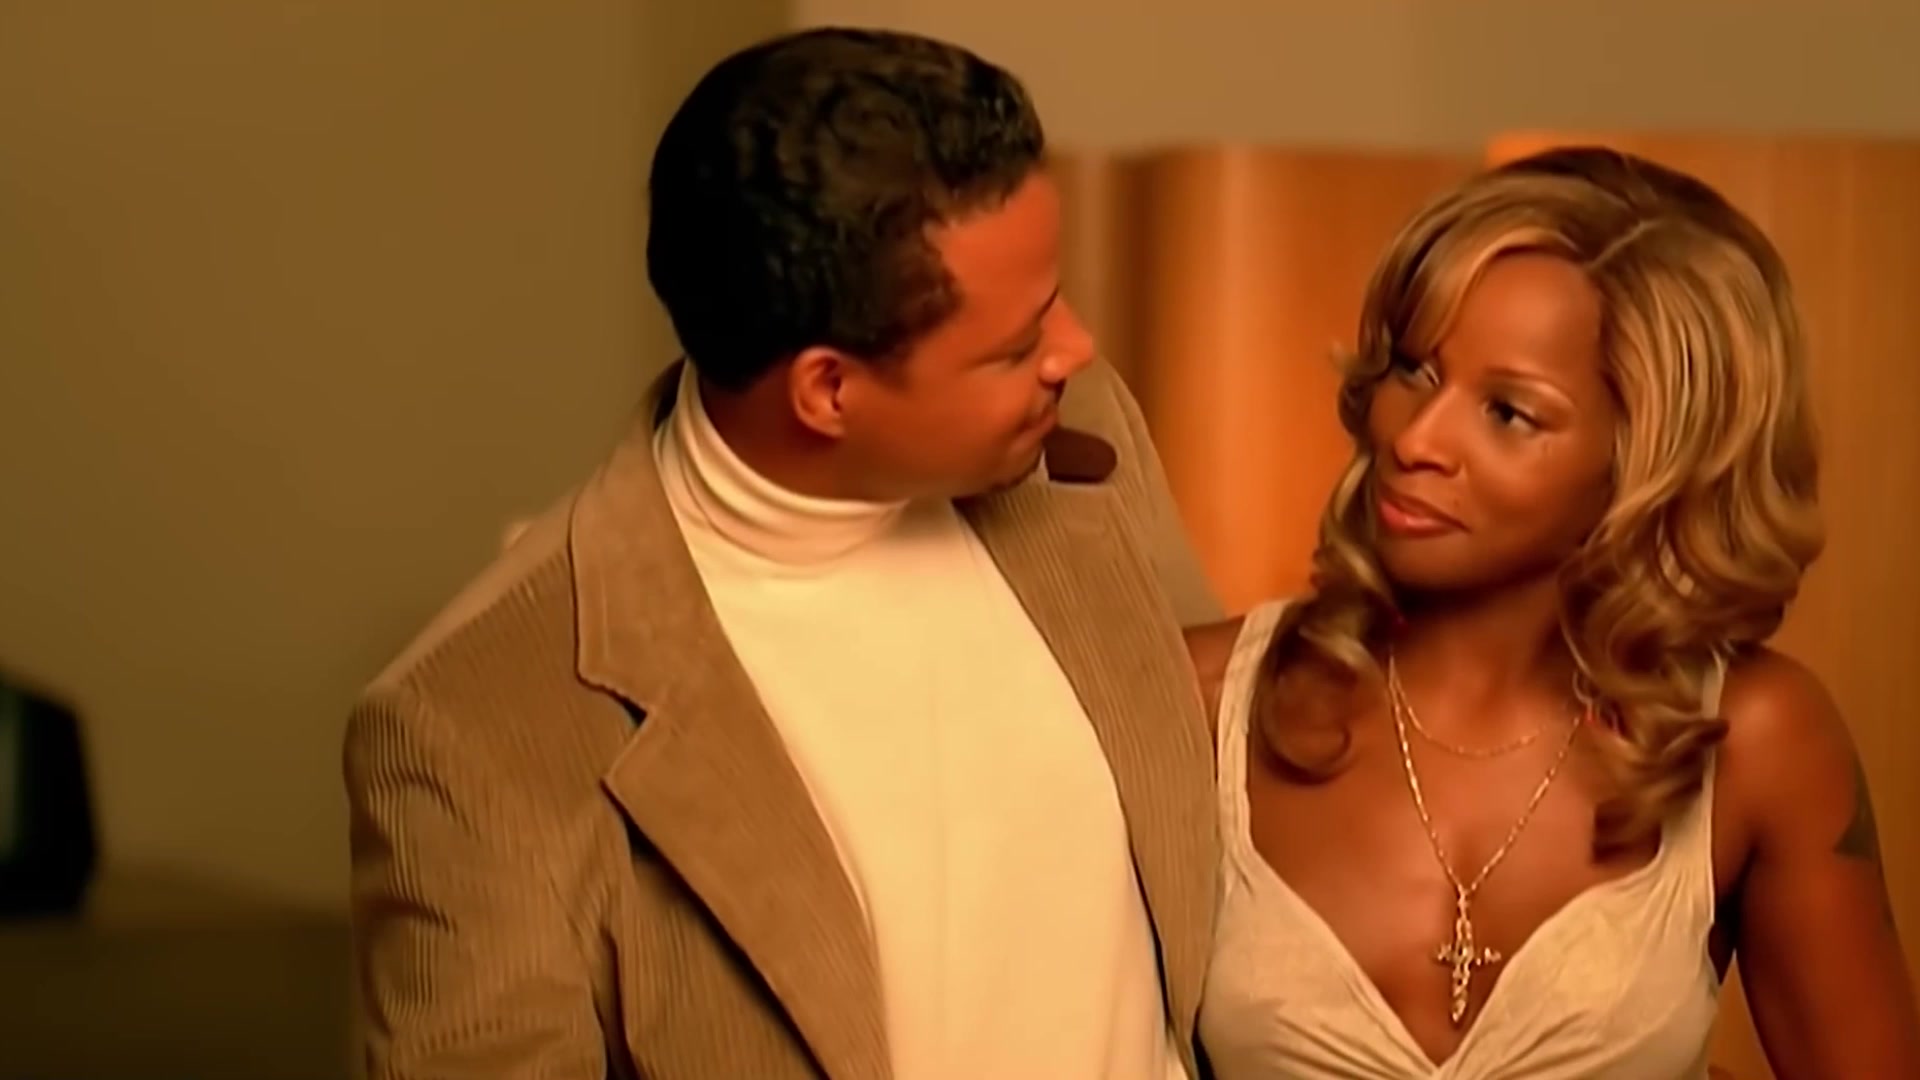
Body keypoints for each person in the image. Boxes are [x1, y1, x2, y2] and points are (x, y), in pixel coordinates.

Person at [344, 26, 1222, 1080]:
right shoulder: (473, 726)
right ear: (827, 391)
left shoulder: (1084, 438)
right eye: (1015, 345)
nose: (1075, 350)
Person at [1189, 146, 1920, 1078]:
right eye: (1415, 370)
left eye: (1507, 413)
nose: (1416, 441)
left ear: (1646, 460)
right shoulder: (1202, 699)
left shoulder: (1755, 744)